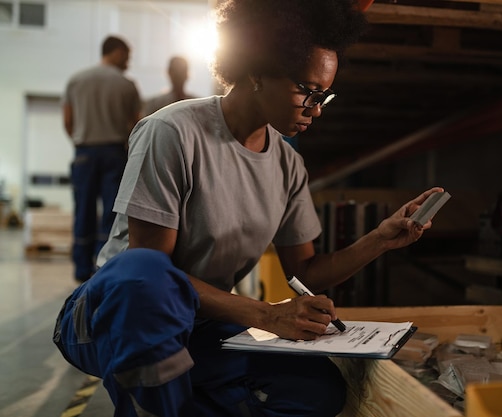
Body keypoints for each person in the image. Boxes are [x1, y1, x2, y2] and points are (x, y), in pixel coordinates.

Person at [53, 1, 444, 416]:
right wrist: (267, 316)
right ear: (257, 72)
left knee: (318, 390)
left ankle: (175, 401)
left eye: (323, 97)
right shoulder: (172, 132)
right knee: (145, 273)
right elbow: (151, 271)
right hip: (113, 319)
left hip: (198, 325)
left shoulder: (288, 165)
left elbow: (304, 272)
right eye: (306, 92)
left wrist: (379, 240)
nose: (315, 110)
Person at [62, 35, 141, 283]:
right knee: (112, 213)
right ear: (116, 52)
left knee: (83, 210)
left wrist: (81, 140)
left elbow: (68, 119)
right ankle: (103, 270)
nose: (128, 62)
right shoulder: (126, 84)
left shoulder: (77, 80)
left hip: (84, 152)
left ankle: (80, 270)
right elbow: (136, 125)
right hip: (114, 154)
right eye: (127, 56)